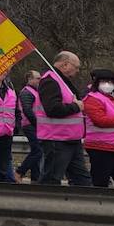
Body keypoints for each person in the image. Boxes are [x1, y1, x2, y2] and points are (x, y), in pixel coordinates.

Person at [34, 51, 91, 187]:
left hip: (70, 138)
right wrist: (76, 107)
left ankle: (85, 200)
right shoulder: (50, 81)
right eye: (76, 67)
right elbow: (52, 109)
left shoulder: (61, 81)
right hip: (57, 139)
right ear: (65, 65)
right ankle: (42, 200)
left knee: (82, 180)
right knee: (51, 179)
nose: (77, 71)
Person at [15, 70, 43, 182]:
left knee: (37, 151)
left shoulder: (35, 91)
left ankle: (35, 178)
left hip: (34, 124)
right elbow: (27, 110)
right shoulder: (27, 92)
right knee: (38, 151)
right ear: (30, 79)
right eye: (38, 78)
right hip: (30, 125)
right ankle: (20, 172)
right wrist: (38, 124)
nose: (40, 80)